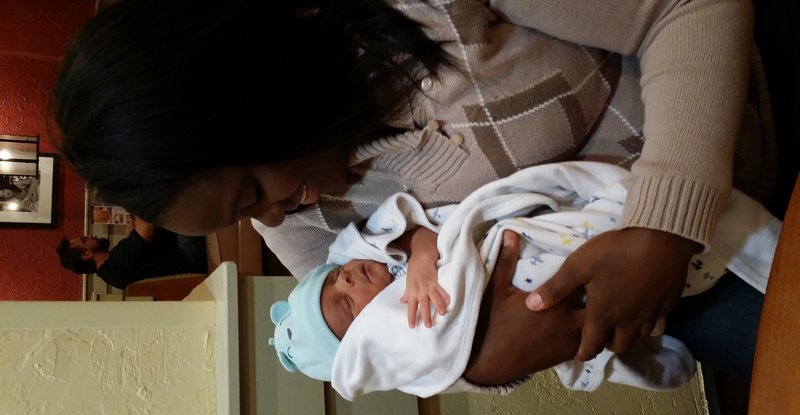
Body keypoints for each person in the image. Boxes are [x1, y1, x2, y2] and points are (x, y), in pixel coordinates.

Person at [51, 0, 769, 382]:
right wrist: (482, 360)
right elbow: (397, 350)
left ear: (255, 95)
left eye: (252, 191)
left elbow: (684, 8)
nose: (271, 218)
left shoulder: (423, 13)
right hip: (677, 298)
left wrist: (665, 225)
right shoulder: (302, 235)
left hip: (750, 137)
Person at [270, 162, 780, 400]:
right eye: (347, 305)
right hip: (554, 311)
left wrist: (423, 258)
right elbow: (442, 362)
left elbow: (414, 230)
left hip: (582, 228)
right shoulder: (396, 335)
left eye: (334, 280)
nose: (347, 280)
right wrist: (483, 358)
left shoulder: (375, 254)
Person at [56, 215, 207, 290]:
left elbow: (129, 236)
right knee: (185, 205)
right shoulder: (117, 262)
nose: (89, 235)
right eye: (85, 239)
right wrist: (137, 203)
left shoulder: (109, 271)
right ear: (86, 254)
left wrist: (133, 217)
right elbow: (146, 228)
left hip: (183, 261)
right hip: (187, 256)